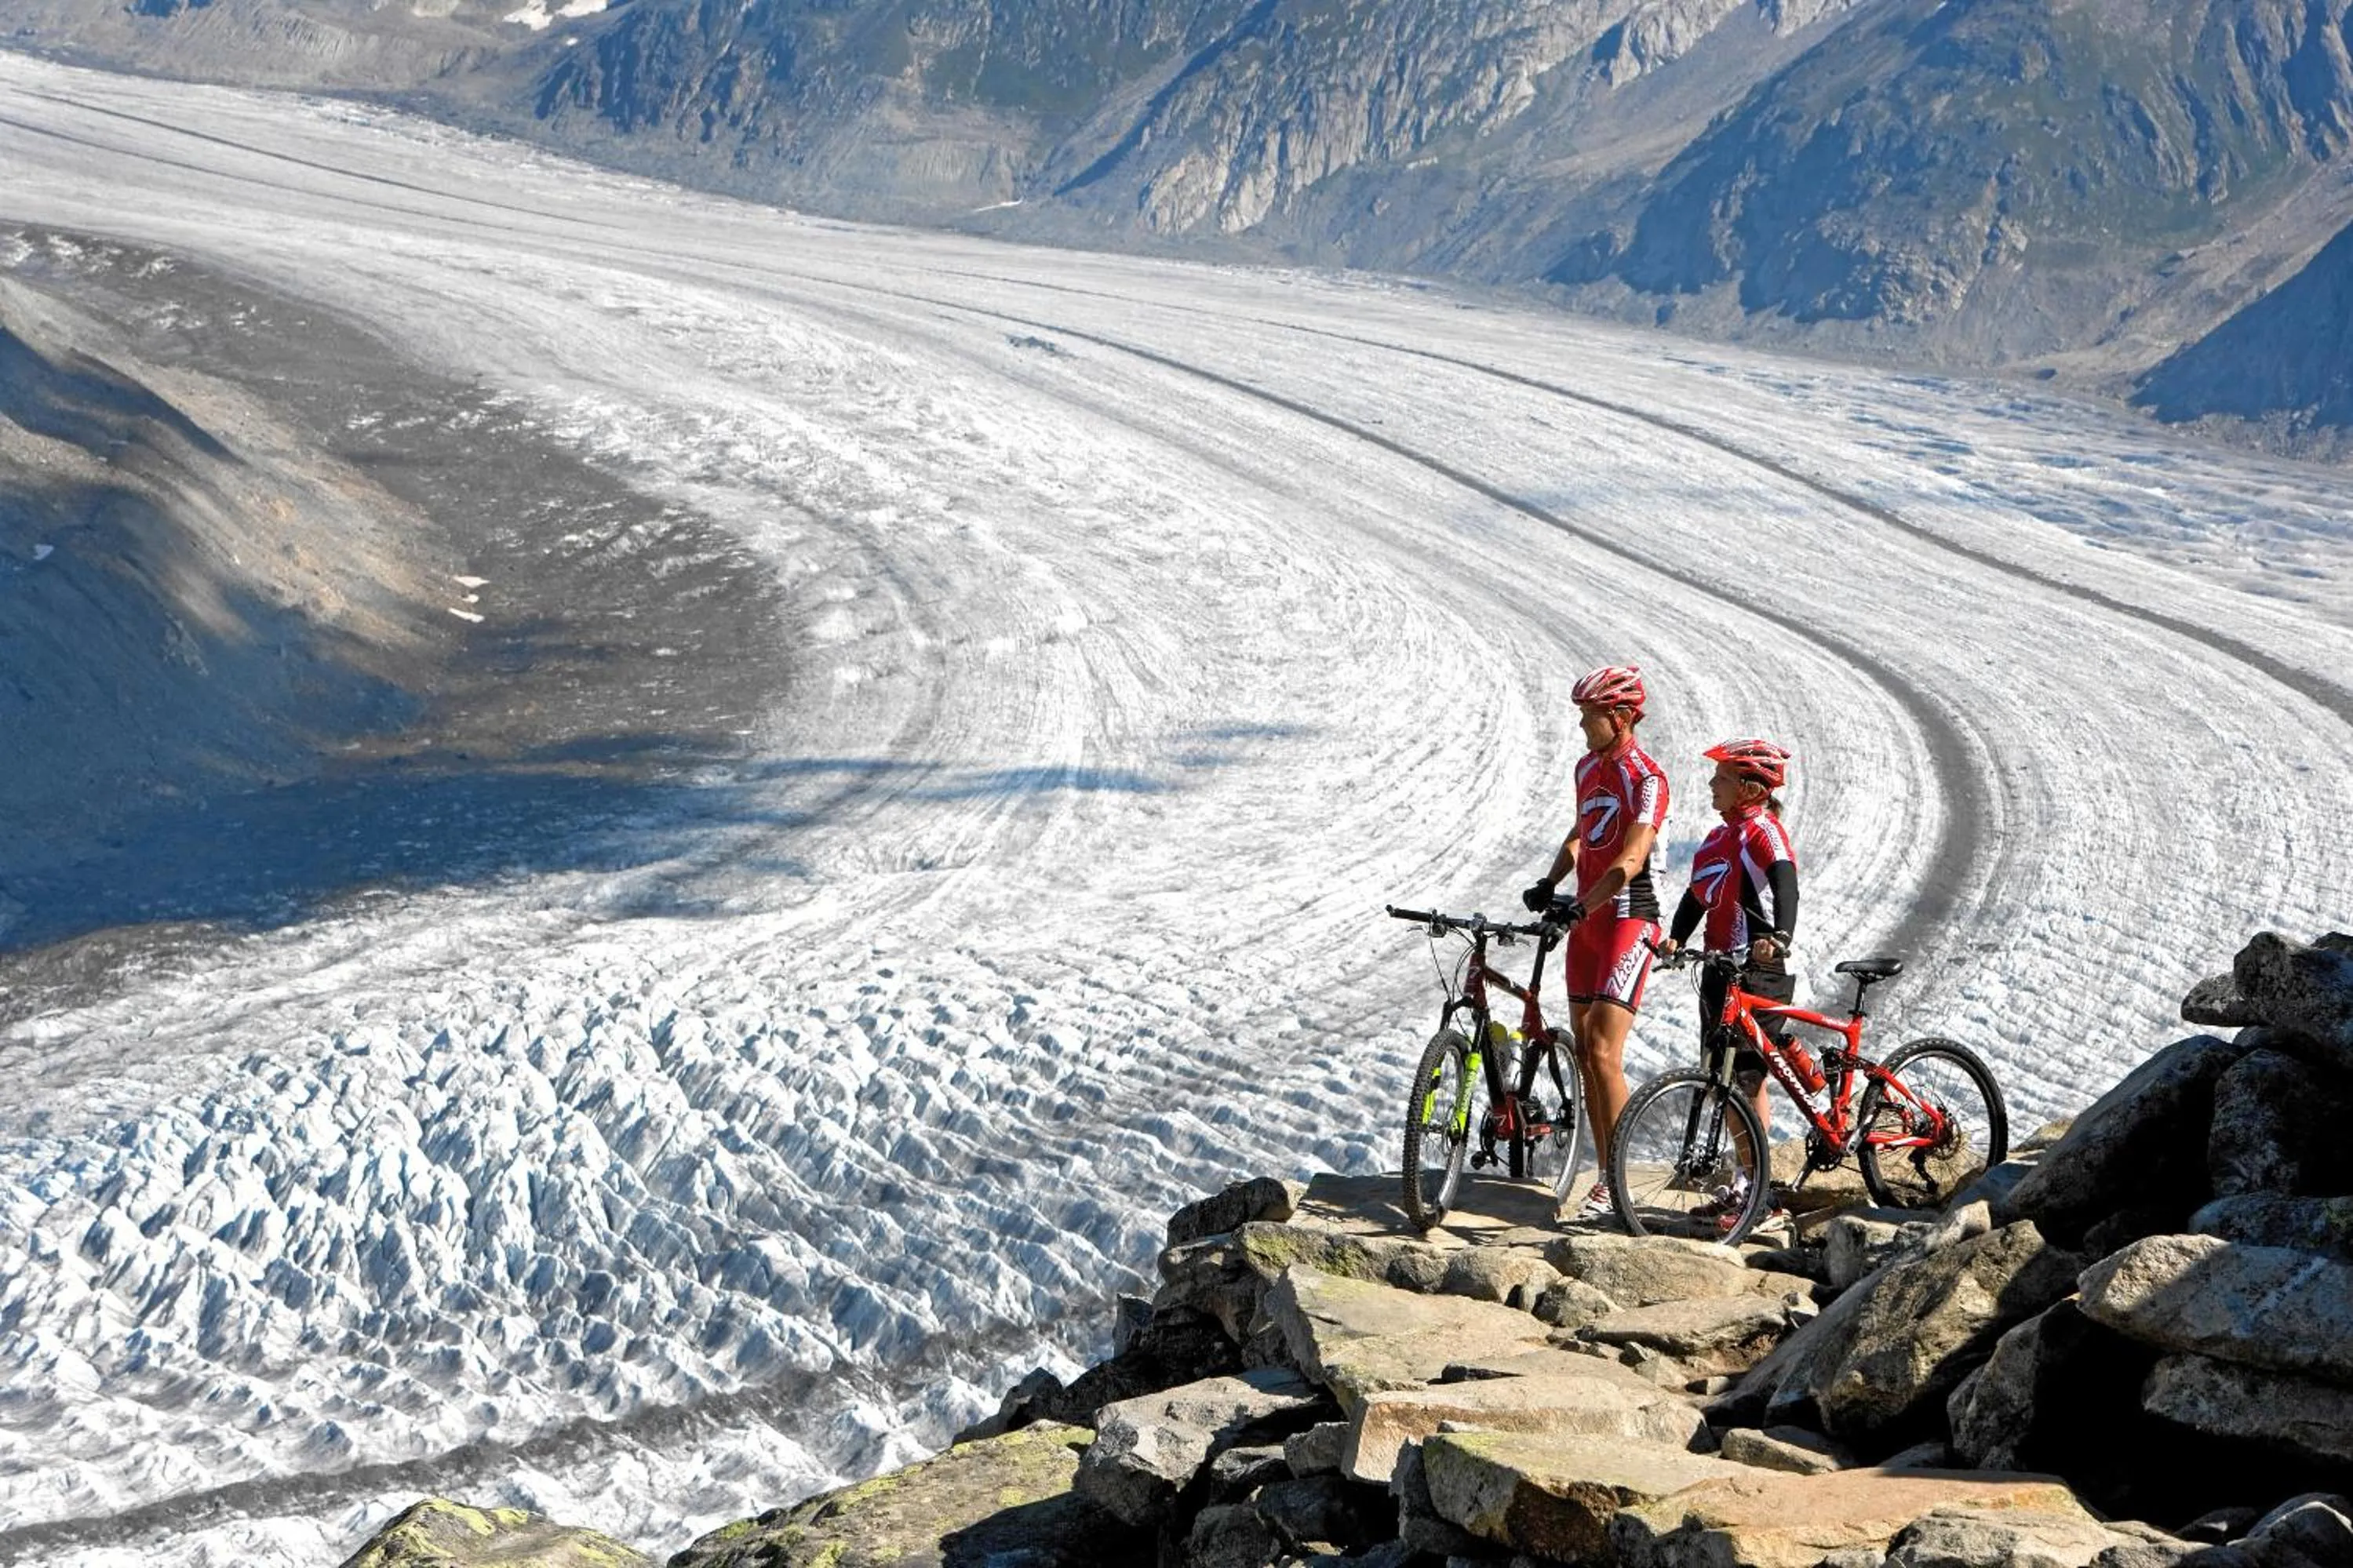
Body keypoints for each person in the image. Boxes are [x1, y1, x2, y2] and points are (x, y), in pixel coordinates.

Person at [1522, 664, 1669, 1221]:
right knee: (1585, 1053)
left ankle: (1619, 1182)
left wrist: (1585, 903)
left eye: (1590, 715)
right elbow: (1582, 833)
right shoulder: (1587, 767)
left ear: (1621, 717)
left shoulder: (1647, 778)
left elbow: (1631, 857)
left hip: (1628, 917)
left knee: (1605, 1050)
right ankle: (1607, 1176)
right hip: (1586, 920)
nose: (1582, 725)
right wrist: (1551, 881)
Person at [1659, 737, 1798, 1227]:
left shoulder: (1764, 831)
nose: (1710, 784)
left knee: (1745, 1080)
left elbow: (1785, 881)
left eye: (1720, 778)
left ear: (1750, 787)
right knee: (1722, 1080)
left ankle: (1760, 1196)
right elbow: (1697, 896)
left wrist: (1780, 936)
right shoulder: (1718, 838)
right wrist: (1676, 938)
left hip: (1759, 968)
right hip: (1720, 970)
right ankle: (1745, 1185)